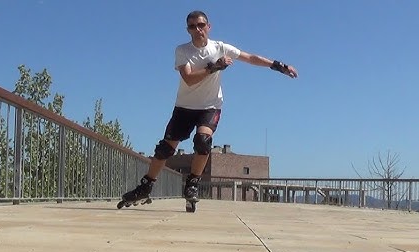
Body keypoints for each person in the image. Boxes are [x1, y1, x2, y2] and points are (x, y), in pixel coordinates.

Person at [120, 10, 298, 205]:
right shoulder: (183, 51)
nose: (197, 30)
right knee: (164, 149)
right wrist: (214, 67)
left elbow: (250, 58)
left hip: (210, 107)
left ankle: (192, 183)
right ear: (187, 30)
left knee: (203, 141)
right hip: (184, 108)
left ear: (208, 27)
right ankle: (145, 186)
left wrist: (279, 65)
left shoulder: (220, 47)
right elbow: (188, 79)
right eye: (192, 26)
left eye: (201, 25)